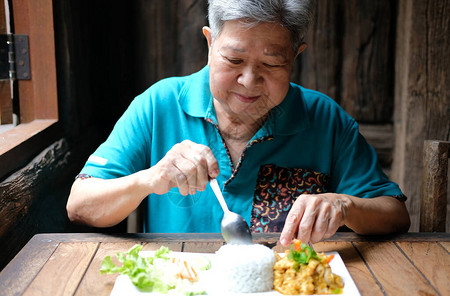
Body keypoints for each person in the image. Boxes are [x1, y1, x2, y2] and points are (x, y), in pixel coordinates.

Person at [66, 0, 410, 245]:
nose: (249, 80)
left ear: (296, 56)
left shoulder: (325, 118)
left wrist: (345, 205)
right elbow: (80, 205)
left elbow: (394, 214)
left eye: (272, 64)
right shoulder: (159, 105)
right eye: (234, 59)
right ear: (210, 42)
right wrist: (150, 179)